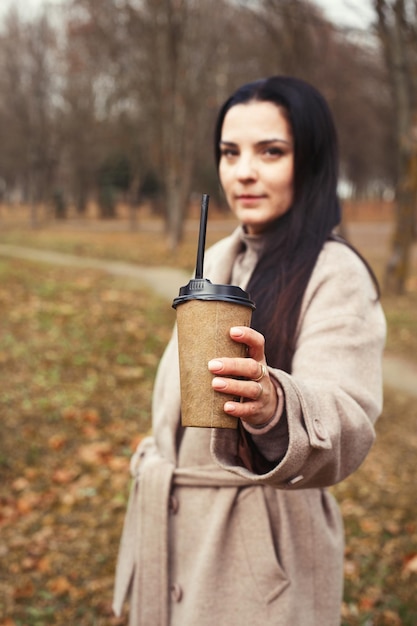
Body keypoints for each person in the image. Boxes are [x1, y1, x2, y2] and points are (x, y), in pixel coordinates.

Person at [113, 76, 386, 626]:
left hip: (261, 560)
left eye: (271, 152)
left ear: (309, 161)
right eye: (229, 152)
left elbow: (347, 420)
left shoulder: (336, 274)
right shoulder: (213, 260)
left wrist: (274, 404)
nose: (243, 172)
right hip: (177, 528)